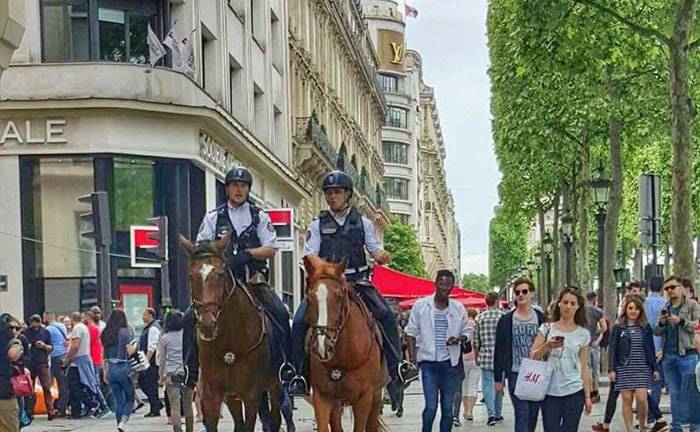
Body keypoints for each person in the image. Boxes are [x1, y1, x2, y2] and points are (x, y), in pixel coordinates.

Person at [289, 170, 418, 395]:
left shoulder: (363, 223)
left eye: (337, 192)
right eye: (329, 193)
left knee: (386, 316)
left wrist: (381, 256)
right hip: (329, 284)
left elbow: (374, 248)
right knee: (300, 320)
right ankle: (297, 373)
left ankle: (398, 366)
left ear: (347, 194)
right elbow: (310, 255)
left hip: (357, 281)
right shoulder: (317, 224)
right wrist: (327, 271)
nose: (332, 197)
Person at [196, 166, 294, 384]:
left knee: (279, 313)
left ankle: (288, 367)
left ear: (248, 189)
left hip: (252, 281)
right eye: (234, 185)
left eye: (243, 186)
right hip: (220, 284)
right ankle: (190, 371)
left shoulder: (259, 216)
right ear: (227, 189)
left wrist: (248, 254)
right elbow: (201, 247)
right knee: (188, 319)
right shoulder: (213, 217)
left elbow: (270, 248)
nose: (238, 190)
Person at [405, 270, 471, 432]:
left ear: (452, 287)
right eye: (441, 283)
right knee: (431, 407)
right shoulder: (421, 306)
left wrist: (459, 339)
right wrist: (413, 361)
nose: (444, 287)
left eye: (448, 284)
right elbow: (410, 333)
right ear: (435, 284)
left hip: (451, 364)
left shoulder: (458, 308)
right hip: (429, 365)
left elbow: (468, 331)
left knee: (448, 409)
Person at [531, 287, 592, 432]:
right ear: (559, 304)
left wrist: (588, 396)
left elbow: (584, 366)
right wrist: (548, 345)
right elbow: (533, 355)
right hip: (550, 391)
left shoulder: (583, 334)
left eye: (572, 303)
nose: (568, 307)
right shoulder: (546, 328)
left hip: (574, 391)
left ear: (578, 307)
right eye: (565, 302)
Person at [494, 277, 546, 432]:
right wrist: (498, 379)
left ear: (532, 294)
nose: (521, 295)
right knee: (521, 412)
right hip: (516, 372)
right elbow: (499, 350)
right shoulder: (506, 320)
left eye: (524, 291)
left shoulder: (541, 318)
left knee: (533, 414)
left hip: (537, 371)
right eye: (517, 292)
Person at [654, 276, 700, 432]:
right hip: (669, 356)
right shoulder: (665, 308)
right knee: (674, 393)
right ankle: (676, 426)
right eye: (667, 289)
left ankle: (695, 426)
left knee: (690, 392)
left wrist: (680, 321)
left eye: (673, 287)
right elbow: (657, 331)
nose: (670, 291)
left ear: (681, 288)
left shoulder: (693, 305)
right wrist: (661, 322)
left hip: (687, 354)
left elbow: (697, 326)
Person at [609, 295, 660, 432]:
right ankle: (629, 429)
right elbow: (613, 349)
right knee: (626, 398)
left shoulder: (645, 327)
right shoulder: (618, 327)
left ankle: (642, 425)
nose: (633, 311)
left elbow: (650, 348)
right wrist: (612, 369)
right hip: (624, 367)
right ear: (625, 309)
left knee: (642, 398)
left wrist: (655, 368)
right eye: (630, 308)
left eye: (636, 309)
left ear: (640, 311)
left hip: (642, 367)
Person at [158, 311, 193, 432]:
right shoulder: (186, 335)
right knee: (188, 405)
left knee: (175, 405)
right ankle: (190, 429)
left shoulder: (165, 338)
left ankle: (177, 429)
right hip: (187, 372)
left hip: (171, 373)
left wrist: (160, 375)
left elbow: (162, 359)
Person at [102, 309, 136, 432]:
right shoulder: (125, 331)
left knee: (118, 399)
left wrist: (105, 372)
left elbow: (104, 355)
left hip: (111, 368)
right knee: (130, 398)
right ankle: (123, 422)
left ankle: (119, 424)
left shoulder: (106, 332)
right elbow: (130, 351)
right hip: (124, 367)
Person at [475, 291, 504, 426]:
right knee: (499, 384)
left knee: (487, 385)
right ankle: (498, 413)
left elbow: (476, 341)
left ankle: (491, 414)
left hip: (485, 356)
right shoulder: (503, 317)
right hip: (501, 357)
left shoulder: (479, 318)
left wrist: (476, 356)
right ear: (497, 301)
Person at [63, 311, 99, 419]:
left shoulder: (77, 329)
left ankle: (91, 403)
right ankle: (76, 412)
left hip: (77, 362)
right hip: (83, 359)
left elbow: (75, 346)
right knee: (78, 386)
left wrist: (66, 359)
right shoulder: (84, 327)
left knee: (74, 387)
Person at [22, 314, 56, 420]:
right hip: (30, 363)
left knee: (46, 386)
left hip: (42, 362)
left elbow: (51, 347)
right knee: (29, 389)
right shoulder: (25, 333)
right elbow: (22, 347)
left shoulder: (45, 332)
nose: (36, 325)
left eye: (38, 322)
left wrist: (44, 346)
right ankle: (29, 411)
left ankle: (50, 410)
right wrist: (31, 346)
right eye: (34, 322)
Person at [83, 311, 110, 417]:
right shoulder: (94, 329)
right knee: (91, 384)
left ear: (88, 317)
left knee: (93, 384)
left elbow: (86, 344)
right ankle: (94, 406)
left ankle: (103, 406)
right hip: (95, 358)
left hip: (93, 359)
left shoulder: (92, 330)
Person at [0, 314, 24, 432]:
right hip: (4, 392)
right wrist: (16, 343)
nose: (14, 331)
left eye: (17, 328)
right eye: (11, 328)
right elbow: (13, 355)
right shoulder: (7, 337)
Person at [43, 312, 69, 417]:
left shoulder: (48, 329)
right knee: (64, 383)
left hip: (55, 356)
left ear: (47, 317)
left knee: (57, 382)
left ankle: (60, 408)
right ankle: (63, 406)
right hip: (64, 354)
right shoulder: (61, 326)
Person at [138, 307, 162, 417]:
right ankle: (156, 404)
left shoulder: (153, 328)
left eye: (144, 314)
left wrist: (146, 362)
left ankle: (155, 408)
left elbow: (152, 347)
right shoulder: (148, 327)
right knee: (144, 383)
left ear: (150, 315)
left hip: (151, 362)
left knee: (149, 384)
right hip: (149, 361)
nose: (143, 317)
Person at [458, 308, 480, 424]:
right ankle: (470, 411)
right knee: (473, 386)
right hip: (475, 359)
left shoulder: (463, 326)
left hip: (463, 359)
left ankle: (465, 410)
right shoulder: (476, 325)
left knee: (463, 386)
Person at [584, 291, 607, 404]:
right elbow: (604, 327)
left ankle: (589, 393)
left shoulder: (581, 311)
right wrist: (598, 337)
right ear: (594, 299)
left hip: (584, 344)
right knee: (595, 370)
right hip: (594, 343)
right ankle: (596, 392)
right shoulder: (598, 312)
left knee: (586, 369)